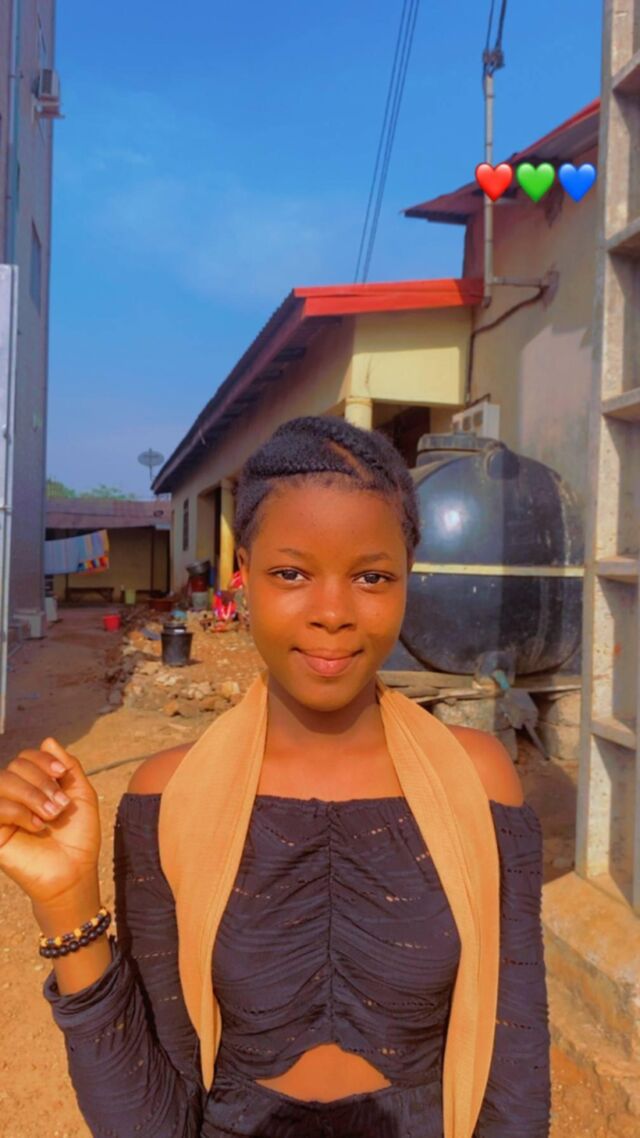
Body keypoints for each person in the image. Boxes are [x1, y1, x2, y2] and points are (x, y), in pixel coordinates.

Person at [0, 415, 551, 1138]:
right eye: (291, 573)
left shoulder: (474, 784)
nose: (332, 614)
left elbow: (514, 1079)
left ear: (407, 579)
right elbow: (153, 1120)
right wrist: (68, 905)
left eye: (371, 577)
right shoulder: (174, 798)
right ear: (245, 575)